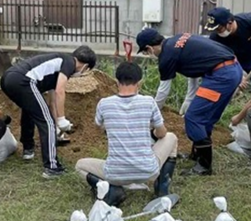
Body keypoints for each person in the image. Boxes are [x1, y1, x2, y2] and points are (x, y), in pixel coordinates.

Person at [137, 28, 242, 176]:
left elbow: (163, 92)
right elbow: (193, 71)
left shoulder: (167, 56)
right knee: (206, 117)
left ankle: (204, 166)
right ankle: (197, 155)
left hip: (221, 76)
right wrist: (189, 98)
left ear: (149, 48)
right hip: (231, 69)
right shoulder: (177, 41)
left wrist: (152, 115)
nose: (149, 55)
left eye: (146, 52)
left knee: (194, 118)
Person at [75, 61, 178, 206]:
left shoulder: (104, 104)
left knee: (80, 165)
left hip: (114, 174)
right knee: (171, 137)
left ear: (117, 81)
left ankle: (111, 190)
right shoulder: (149, 102)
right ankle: (162, 191)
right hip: (148, 171)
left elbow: (99, 128)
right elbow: (162, 133)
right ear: (140, 82)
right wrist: (152, 132)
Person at [0, 47, 97, 179]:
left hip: (8, 79)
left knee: (31, 110)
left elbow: (52, 102)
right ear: (85, 66)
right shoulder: (68, 62)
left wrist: (57, 125)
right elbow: (60, 91)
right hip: (23, 80)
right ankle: (52, 167)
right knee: (47, 122)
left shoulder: (55, 70)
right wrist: (61, 120)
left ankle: (28, 149)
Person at [205, 7, 251, 95]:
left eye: (220, 28)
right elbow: (221, 60)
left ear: (230, 23)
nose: (218, 32)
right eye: (215, 30)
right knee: (225, 90)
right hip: (234, 62)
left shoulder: (249, 20)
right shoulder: (215, 39)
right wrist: (238, 77)